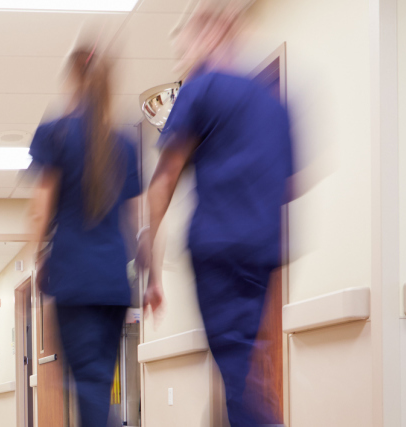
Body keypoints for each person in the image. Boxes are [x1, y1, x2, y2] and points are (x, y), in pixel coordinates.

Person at [142, 1, 293, 425]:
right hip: (262, 253)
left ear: (209, 34)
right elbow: (289, 184)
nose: (183, 58)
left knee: (240, 380)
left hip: (218, 252)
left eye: (184, 47)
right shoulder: (273, 103)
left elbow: (164, 180)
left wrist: (151, 269)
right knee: (244, 369)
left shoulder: (201, 86)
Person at [27, 43, 145, 427]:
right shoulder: (125, 142)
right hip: (112, 278)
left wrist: (36, 258)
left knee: (86, 384)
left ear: (73, 79)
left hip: (73, 274)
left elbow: (39, 210)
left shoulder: (55, 133)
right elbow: (134, 219)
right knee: (96, 381)